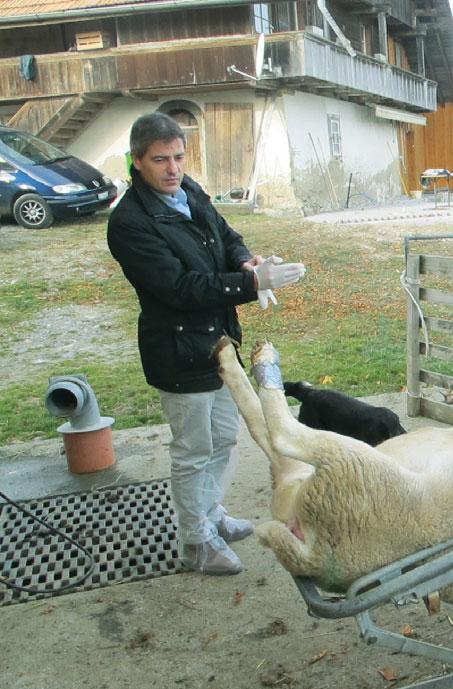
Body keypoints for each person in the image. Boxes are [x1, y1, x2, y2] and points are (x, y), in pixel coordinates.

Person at [107, 112, 306, 575]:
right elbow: (180, 288)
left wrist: (245, 261)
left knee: (223, 438)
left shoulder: (187, 190)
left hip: (217, 343)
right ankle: (195, 541)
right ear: (137, 162)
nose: (173, 168)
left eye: (178, 156)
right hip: (178, 350)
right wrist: (251, 284)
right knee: (193, 448)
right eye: (160, 160)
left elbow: (225, 235)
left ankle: (211, 513)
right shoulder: (131, 223)